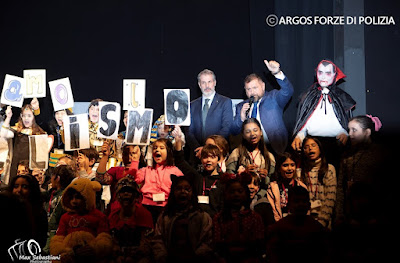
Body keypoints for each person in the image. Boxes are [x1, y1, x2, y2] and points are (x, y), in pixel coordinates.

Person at [291, 59, 356, 169]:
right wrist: (300, 134)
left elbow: (347, 121)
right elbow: (303, 119)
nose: (323, 77)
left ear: (335, 75)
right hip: (312, 143)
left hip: (335, 145)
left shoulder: (341, 97)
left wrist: (345, 132)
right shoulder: (308, 95)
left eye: (328, 73)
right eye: (320, 72)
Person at [232, 60, 294, 155]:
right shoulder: (241, 106)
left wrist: (277, 73)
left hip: (275, 148)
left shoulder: (273, 97)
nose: (252, 92)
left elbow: (288, 91)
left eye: (255, 88)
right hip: (251, 151)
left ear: (263, 86)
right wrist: (241, 118)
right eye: (249, 89)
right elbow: (234, 131)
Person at [153, 175, 214, 262]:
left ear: (192, 192)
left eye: (187, 189)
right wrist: (162, 257)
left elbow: (207, 241)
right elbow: (158, 240)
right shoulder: (165, 216)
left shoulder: (202, 216)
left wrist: (196, 257)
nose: (183, 192)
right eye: (178, 189)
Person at [50, 178, 113, 262]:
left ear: (88, 196)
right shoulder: (65, 217)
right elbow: (58, 238)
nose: (74, 201)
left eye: (78, 197)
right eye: (71, 198)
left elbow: (104, 238)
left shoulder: (98, 216)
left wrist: (94, 248)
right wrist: (64, 252)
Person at [336, 115, 384, 221]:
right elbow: (340, 187)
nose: (350, 134)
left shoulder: (380, 154)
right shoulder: (347, 155)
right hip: (350, 214)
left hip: (373, 215)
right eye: (349, 130)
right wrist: (339, 216)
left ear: (367, 132)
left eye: (354, 130)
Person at [266, 186, 330, 263]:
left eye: (304, 201)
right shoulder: (280, 227)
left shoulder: (316, 228)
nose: (300, 204)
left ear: (309, 205)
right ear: (289, 205)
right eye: (296, 201)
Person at [173, 128, 225, 218]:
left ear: (218, 159)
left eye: (212, 157)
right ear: (201, 159)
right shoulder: (197, 176)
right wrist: (178, 141)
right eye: (205, 157)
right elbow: (180, 162)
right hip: (196, 220)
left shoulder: (223, 180)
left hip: (216, 221)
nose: (208, 160)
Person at [130, 138, 184, 223]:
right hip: (146, 207)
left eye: (161, 148)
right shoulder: (146, 170)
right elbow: (132, 180)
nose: (157, 150)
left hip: (167, 209)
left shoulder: (175, 171)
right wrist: (135, 160)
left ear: (169, 152)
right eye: (155, 148)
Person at [213, 178, 265, 263]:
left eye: (240, 191)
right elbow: (218, 243)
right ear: (225, 195)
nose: (236, 195)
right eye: (232, 192)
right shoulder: (219, 218)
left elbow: (258, 243)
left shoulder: (254, 217)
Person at [187, 69, 233, 160]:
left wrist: (207, 148)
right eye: (203, 82)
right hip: (197, 155)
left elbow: (226, 128)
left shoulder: (225, 102)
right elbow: (189, 132)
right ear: (199, 85)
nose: (207, 86)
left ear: (215, 83)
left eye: (209, 82)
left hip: (218, 153)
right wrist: (198, 150)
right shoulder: (192, 105)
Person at [108, 177, 154, 263]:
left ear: (136, 196)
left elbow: (146, 244)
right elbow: (113, 242)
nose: (126, 193)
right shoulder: (113, 216)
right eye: (123, 191)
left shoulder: (144, 214)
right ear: (118, 196)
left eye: (129, 191)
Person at [1, 105, 47, 180]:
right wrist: (8, 117)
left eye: (29, 116)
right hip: (16, 166)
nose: (26, 118)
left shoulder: (39, 133)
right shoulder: (17, 130)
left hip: (31, 166)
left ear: (33, 117)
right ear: (21, 116)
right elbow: (3, 134)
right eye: (24, 116)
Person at [299, 136, 336, 228]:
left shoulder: (329, 169)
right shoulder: (300, 171)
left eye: (313, 145)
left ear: (320, 148)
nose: (310, 148)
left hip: (324, 221)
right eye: (306, 147)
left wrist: (322, 221)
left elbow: (330, 198)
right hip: (305, 221)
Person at [226, 118, 275, 183]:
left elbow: (273, 180)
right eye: (248, 132)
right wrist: (243, 174)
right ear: (243, 135)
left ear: (261, 132)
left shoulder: (269, 156)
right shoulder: (236, 153)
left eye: (255, 130)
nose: (252, 134)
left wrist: (266, 177)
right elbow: (228, 177)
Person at [7, 174, 48, 248]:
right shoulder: (5, 211)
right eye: (16, 186)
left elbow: (41, 241)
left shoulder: (39, 213)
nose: (19, 190)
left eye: (24, 187)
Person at [44, 165, 76, 254]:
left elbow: (55, 217)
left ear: (57, 178)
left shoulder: (64, 195)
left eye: (52, 176)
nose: (51, 179)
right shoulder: (52, 193)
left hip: (55, 235)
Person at [267, 152, 307, 222]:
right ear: (279, 169)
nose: (289, 168)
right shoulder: (273, 188)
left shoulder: (302, 187)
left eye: (292, 165)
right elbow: (274, 212)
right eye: (285, 165)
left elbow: (306, 210)